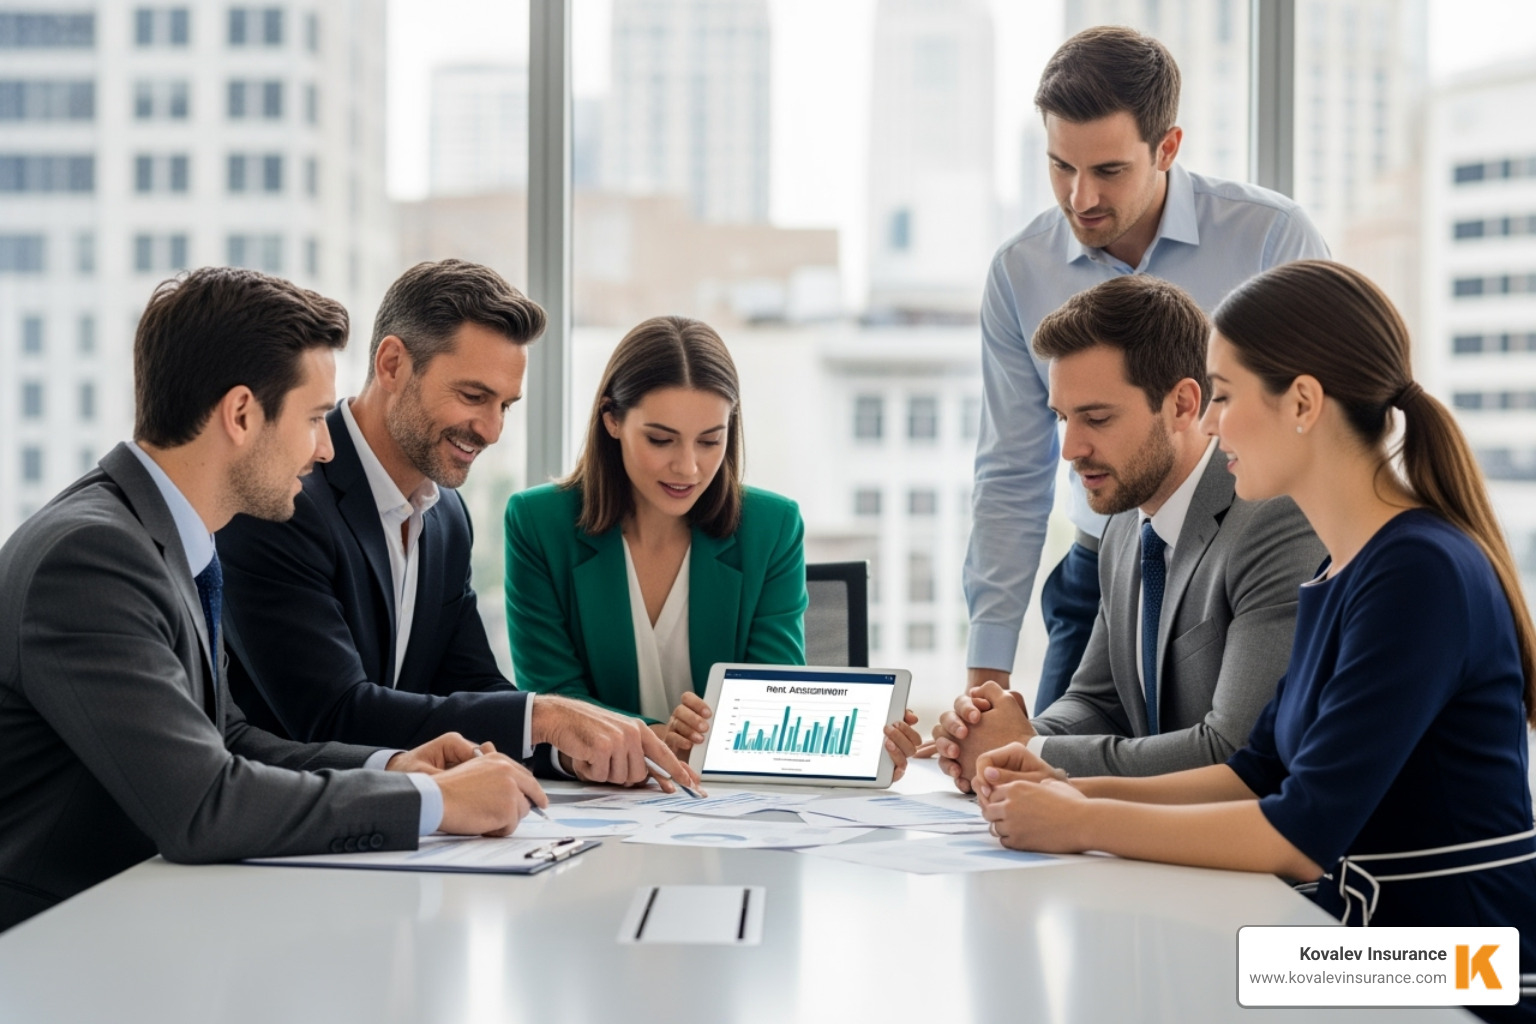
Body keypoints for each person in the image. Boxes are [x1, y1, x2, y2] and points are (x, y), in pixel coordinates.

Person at [975, 261, 1536, 1023]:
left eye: (1227, 397)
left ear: (1303, 402)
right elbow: (1253, 773)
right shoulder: (1346, 565)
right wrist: (1069, 790)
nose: (1209, 424)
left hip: (1459, 967)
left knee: (1184, 983)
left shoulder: (1419, 571)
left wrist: (1080, 822)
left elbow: (1301, 829)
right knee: (1152, 968)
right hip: (1370, 940)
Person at [0, 268, 545, 932]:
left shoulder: (159, 540)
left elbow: (225, 739)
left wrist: (396, 763)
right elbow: (202, 805)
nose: (323, 449)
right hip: (56, 945)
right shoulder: (90, 558)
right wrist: (428, 800)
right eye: (315, 418)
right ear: (240, 415)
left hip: (143, 919)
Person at [218, 260, 696, 790]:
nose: (491, 430)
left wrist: (565, 753)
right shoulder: (283, 498)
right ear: (393, 364)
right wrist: (545, 717)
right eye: (473, 397)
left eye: (505, 406)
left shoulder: (445, 514)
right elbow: (331, 713)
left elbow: (468, 683)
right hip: (281, 826)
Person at [965, 26, 1328, 717]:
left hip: (1244, 569)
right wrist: (985, 685)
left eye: (1107, 171)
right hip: (1101, 567)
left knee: (1211, 773)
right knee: (1026, 778)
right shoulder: (1020, 271)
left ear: (1167, 148)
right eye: (1060, 167)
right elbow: (1011, 474)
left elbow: (1325, 419)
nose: (1079, 198)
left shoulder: (1271, 238)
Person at [906, 276, 1323, 784]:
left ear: (1183, 405)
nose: (1070, 449)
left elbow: (1236, 752)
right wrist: (992, 737)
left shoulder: (1273, 520)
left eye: (1096, 419)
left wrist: (1027, 750)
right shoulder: (1126, 521)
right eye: (1063, 419)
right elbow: (1098, 702)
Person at [506, 315, 926, 765]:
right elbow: (556, 704)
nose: (687, 468)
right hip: (596, 800)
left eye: (710, 441)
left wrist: (862, 752)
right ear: (612, 419)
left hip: (732, 807)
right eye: (661, 439)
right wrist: (658, 736)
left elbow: (773, 701)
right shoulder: (538, 524)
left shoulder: (772, 528)